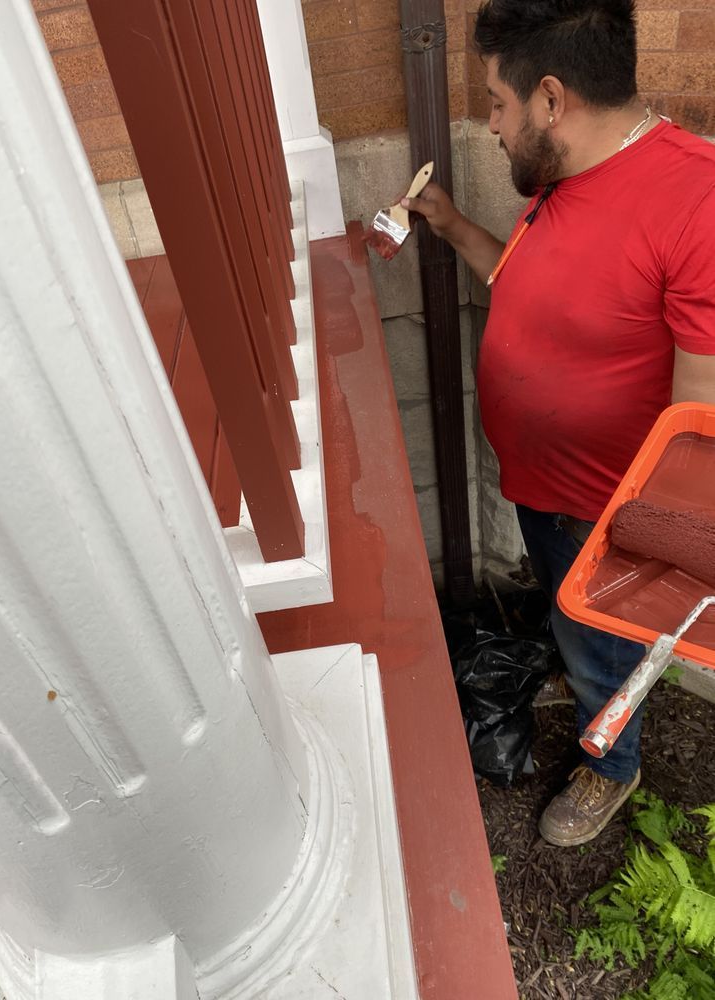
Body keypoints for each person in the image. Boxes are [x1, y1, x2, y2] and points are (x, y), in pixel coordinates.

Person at [401, 0, 715, 847]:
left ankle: (612, 764)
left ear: (550, 99)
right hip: (545, 492)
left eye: (497, 103)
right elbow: (540, 289)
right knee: (569, 622)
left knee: (598, 641)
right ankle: (586, 671)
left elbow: (700, 425)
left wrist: (642, 550)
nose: (490, 125)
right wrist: (454, 225)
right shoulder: (564, 178)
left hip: (605, 516)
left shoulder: (695, 201)